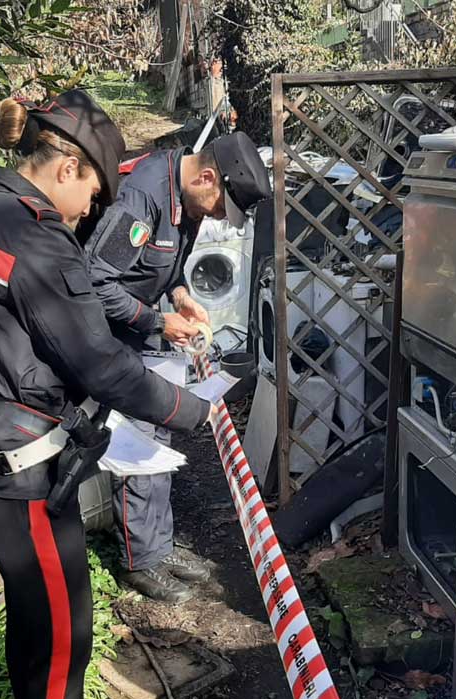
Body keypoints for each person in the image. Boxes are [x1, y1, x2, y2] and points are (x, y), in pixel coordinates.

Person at [0, 90, 214, 699]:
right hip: (24, 478)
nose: (92, 203)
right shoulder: (35, 238)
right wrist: (191, 412)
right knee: (66, 640)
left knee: (36, 629)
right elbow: (96, 360)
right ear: (65, 166)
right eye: (90, 189)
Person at [84, 132, 272, 603]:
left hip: (147, 327)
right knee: (135, 440)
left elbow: (166, 271)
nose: (213, 215)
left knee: (159, 437)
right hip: (116, 333)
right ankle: (138, 560)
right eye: (217, 206)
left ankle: (159, 546)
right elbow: (94, 282)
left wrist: (184, 298)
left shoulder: (183, 197)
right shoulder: (142, 198)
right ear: (207, 177)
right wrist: (157, 321)